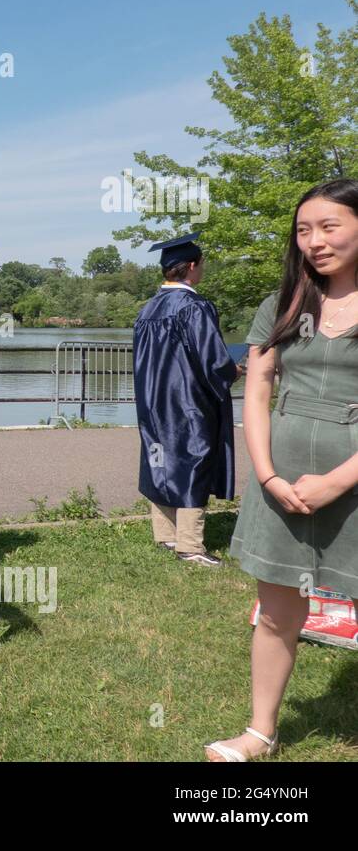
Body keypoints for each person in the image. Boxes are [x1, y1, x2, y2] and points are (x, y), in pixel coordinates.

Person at [207, 179, 358, 761]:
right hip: (284, 478)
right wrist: (267, 475)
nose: (314, 241)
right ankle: (261, 732)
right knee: (276, 612)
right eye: (303, 230)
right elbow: (259, 388)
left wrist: (338, 481)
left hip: (351, 478)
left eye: (329, 225)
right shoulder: (283, 304)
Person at [132, 231, 240, 566]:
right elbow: (212, 361)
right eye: (201, 265)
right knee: (193, 461)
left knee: (160, 459)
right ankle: (190, 546)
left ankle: (166, 535)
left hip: (152, 400)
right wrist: (235, 369)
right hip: (188, 403)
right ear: (192, 266)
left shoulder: (147, 309)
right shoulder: (194, 307)